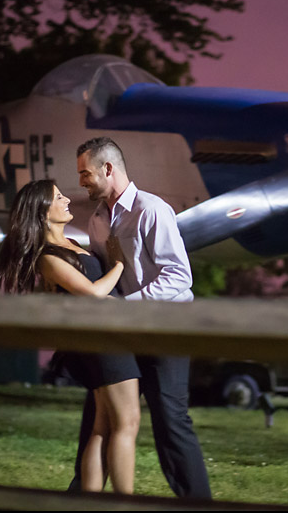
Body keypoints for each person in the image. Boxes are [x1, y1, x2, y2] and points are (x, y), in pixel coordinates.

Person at [71, 136, 212, 499]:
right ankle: (80, 499)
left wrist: (125, 305)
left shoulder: (152, 210)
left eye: (85, 174)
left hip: (165, 328)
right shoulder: (97, 221)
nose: (82, 182)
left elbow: (180, 276)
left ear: (108, 168)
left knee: (170, 422)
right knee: (99, 417)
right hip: (124, 333)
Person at [0, 179, 141, 495]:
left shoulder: (73, 245)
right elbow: (91, 293)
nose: (67, 200)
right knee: (127, 423)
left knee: (103, 426)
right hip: (101, 342)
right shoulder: (48, 257)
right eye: (58, 197)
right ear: (43, 211)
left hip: (107, 338)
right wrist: (117, 263)